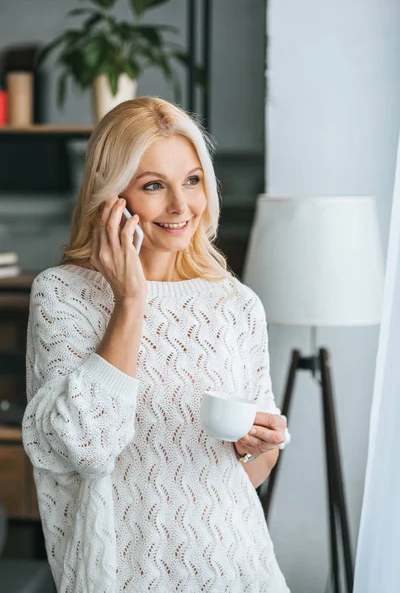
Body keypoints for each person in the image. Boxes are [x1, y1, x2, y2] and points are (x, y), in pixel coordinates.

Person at [22, 97, 291, 593]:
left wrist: (254, 448)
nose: (181, 206)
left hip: (236, 568)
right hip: (121, 574)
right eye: (153, 186)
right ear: (112, 197)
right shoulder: (62, 296)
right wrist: (130, 301)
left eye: (192, 180)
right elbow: (86, 449)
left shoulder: (236, 303)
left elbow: (249, 474)